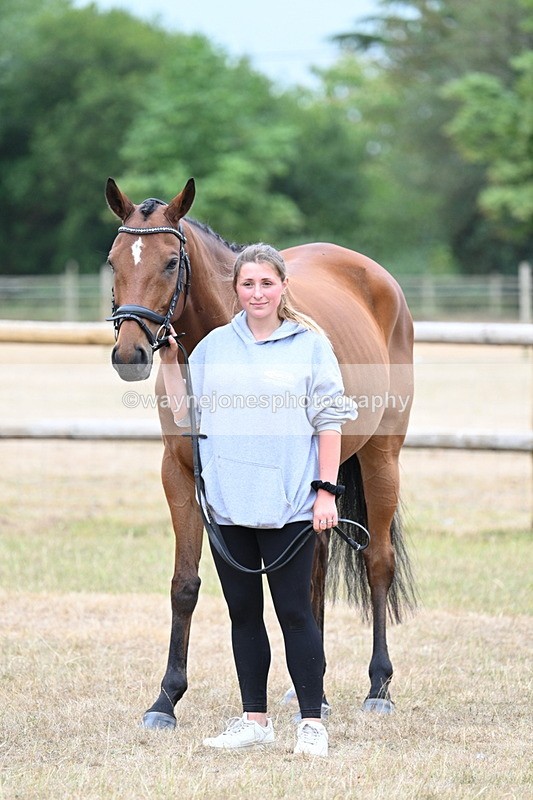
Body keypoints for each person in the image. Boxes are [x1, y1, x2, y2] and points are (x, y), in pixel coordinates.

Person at [160, 243, 357, 757]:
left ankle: (311, 722)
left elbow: (329, 421)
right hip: (229, 505)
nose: (257, 293)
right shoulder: (216, 348)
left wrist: (326, 492)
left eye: (266, 283)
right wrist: (166, 356)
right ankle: (255, 719)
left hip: (290, 503)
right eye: (247, 284)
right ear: (236, 289)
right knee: (243, 615)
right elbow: (184, 412)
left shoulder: (310, 345)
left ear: (283, 287)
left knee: (295, 614)